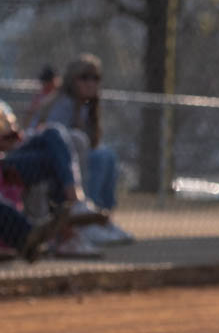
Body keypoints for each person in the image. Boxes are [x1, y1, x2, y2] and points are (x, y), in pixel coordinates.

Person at [27, 54, 132, 245]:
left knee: (107, 154)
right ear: (72, 80)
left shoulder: (87, 106)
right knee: (95, 154)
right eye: (84, 78)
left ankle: (101, 216)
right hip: (46, 158)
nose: (91, 83)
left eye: (95, 78)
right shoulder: (62, 102)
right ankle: (86, 217)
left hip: (71, 157)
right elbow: (54, 138)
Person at [0, 101, 109, 257]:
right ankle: (71, 211)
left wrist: (15, 137)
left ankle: (71, 208)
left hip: (14, 155)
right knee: (53, 152)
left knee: (53, 133)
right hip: (6, 160)